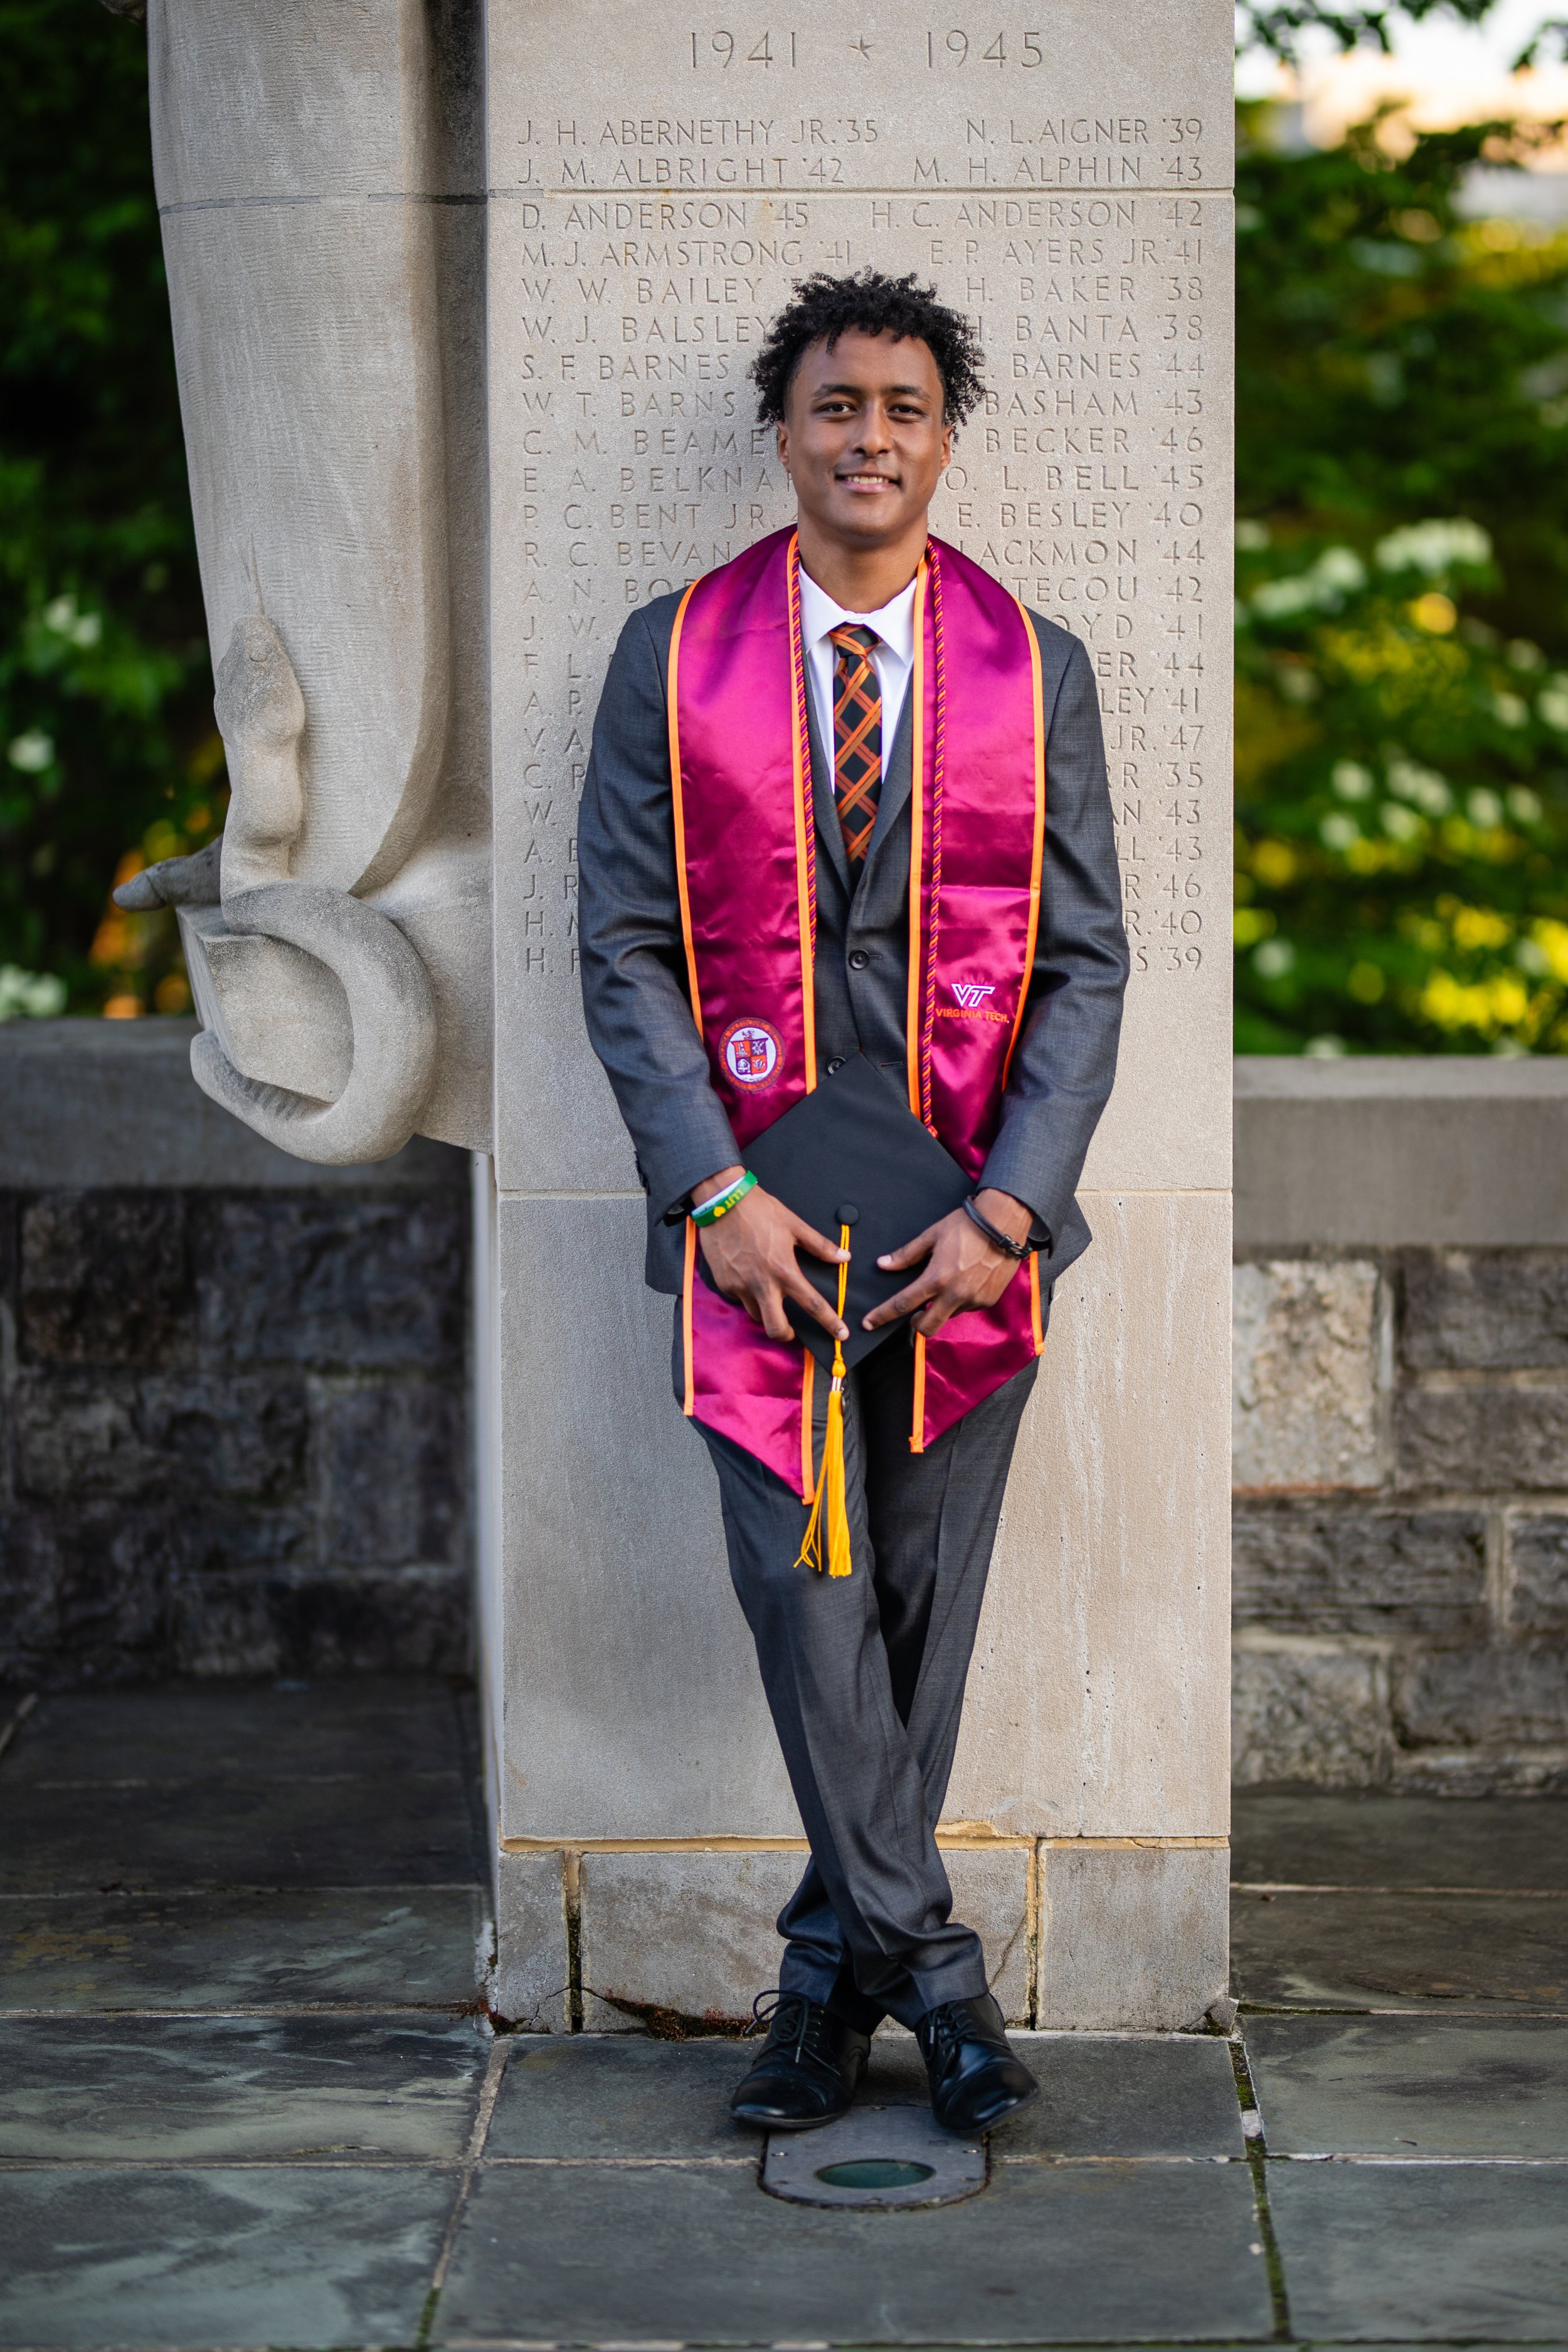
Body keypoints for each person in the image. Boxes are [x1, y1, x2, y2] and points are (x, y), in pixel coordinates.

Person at [578, 270, 1128, 2137]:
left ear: (943, 435)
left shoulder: (1033, 667)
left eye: (901, 406)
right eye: (835, 405)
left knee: (912, 1612)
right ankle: (943, 1989)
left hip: (962, 1231)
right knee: (812, 1609)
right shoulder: (668, 659)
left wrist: (1015, 1212)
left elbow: (1082, 967)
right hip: (757, 1232)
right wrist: (706, 1191)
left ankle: (820, 1998)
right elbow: (625, 947)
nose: (867, 436)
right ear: (786, 429)